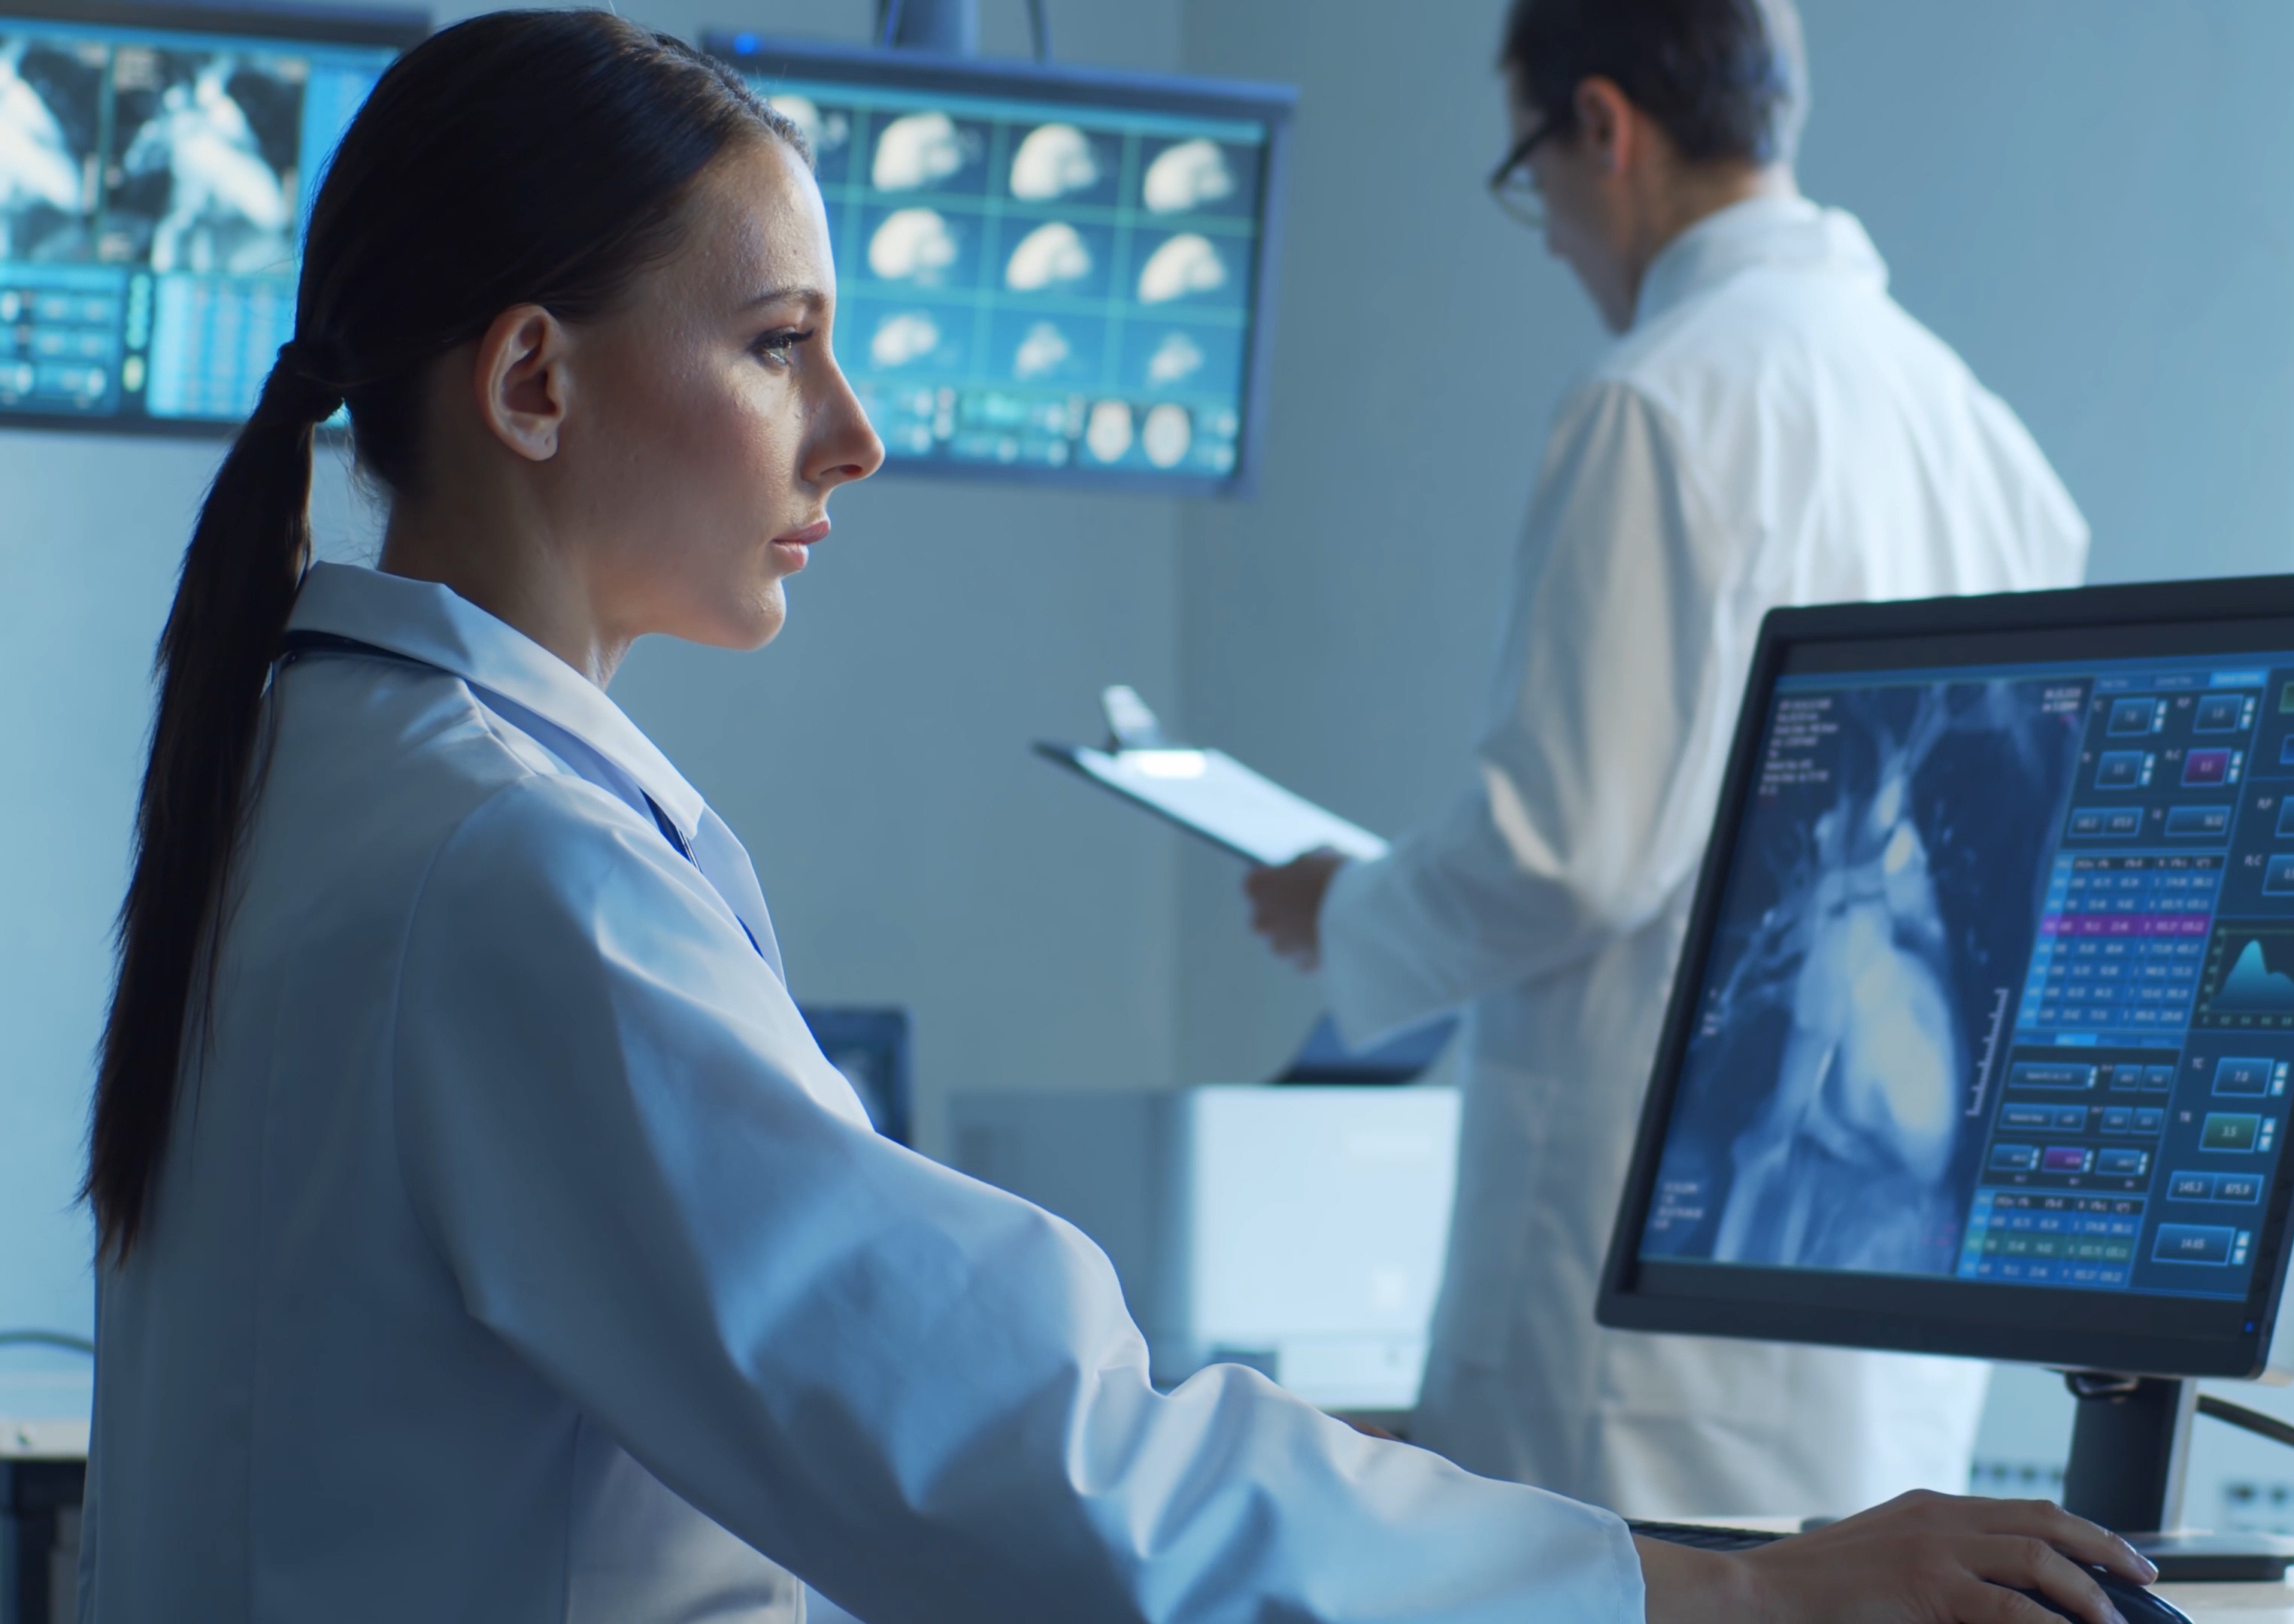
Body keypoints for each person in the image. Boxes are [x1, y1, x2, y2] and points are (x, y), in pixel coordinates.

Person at [75, 12, 2156, 1622]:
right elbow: (1019, 1445)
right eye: (782, 347)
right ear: (532, 386)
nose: (859, 439)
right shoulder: (509, 872)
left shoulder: (327, 781)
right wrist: (1718, 1588)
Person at [1244, 0, 2091, 1520]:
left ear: (1602, 127)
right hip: (1888, 1299)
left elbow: (1567, 852)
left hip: (1651, 1333)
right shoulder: (1978, 434)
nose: (1556, 233)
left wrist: (1344, 909)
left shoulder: (1661, 400)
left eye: (1534, 172)